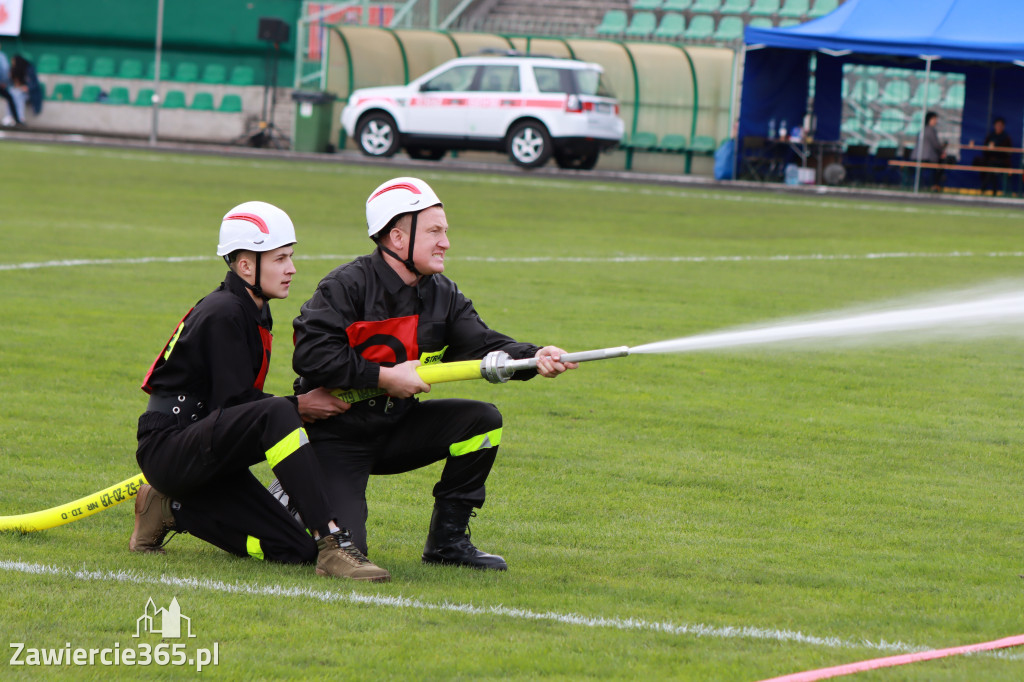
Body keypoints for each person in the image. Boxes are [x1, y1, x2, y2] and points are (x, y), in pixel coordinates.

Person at [289, 177, 577, 571]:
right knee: (336, 553)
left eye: (445, 231)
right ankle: (287, 497)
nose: (446, 242)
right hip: (336, 439)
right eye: (434, 231)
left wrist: (534, 355)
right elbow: (311, 356)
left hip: (398, 429)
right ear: (395, 237)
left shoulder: (443, 293)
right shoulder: (346, 286)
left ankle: (447, 543)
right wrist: (385, 377)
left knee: (483, 422)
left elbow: (482, 344)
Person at [130, 201, 390, 582]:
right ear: (246, 265)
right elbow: (234, 405)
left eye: (291, 257)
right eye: (280, 258)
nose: (292, 268)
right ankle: (332, 542)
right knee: (279, 412)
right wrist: (300, 406)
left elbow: (234, 412)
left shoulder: (251, 309)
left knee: (295, 551)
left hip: (206, 452)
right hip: (171, 446)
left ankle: (172, 508)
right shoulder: (225, 311)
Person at [914, 111, 951, 190]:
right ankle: (935, 185)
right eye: (934, 119)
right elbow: (936, 145)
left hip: (916, 156)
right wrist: (942, 151)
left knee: (939, 162)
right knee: (941, 163)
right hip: (925, 158)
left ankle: (934, 184)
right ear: (929, 119)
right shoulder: (930, 130)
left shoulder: (922, 130)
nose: (936, 121)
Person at [977, 116, 1013, 195]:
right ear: (994, 126)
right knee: (986, 166)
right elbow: (984, 150)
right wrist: (989, 148)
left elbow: (1009, 152)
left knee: (992, 167)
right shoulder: (991, 136)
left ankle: (985, 189)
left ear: (1003, 127)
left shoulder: (1006, 137)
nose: (998, 127)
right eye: (997, 125)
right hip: (990, 160)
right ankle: (991, 191)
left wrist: (997, 148)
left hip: (1002, 161)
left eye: (1000, 125)